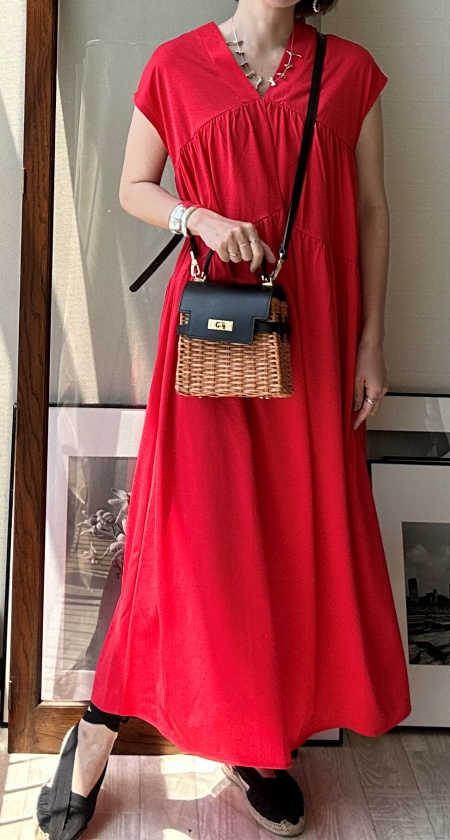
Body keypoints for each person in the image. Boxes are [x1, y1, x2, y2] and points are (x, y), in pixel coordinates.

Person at [34, 0, 412, 837]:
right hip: (212, 331)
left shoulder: (350, 71)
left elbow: (373, 209)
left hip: (314, 333)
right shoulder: (175, 65)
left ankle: (259, 742)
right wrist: (194, 215)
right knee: (190, 533)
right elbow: (133, 185)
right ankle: (99, 724)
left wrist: (372, 340)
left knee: (290, 535)